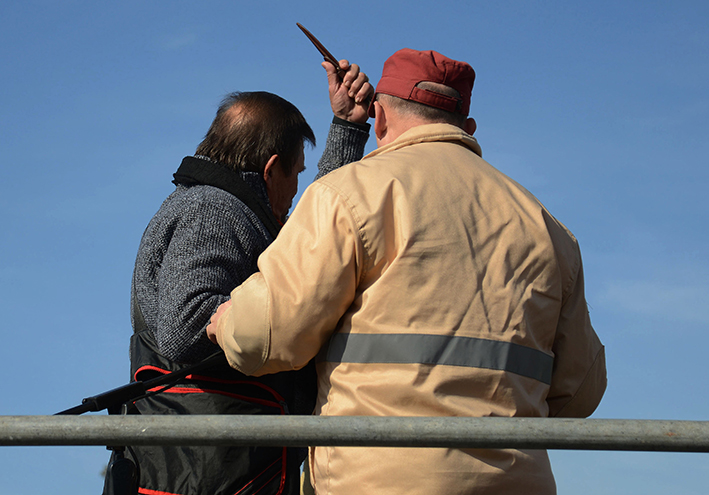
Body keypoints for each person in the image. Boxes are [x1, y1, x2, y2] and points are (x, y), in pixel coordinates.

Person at [207, 49, 607, 495]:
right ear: (468, 129)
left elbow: (268, 338)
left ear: (377, 117)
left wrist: (225, 322)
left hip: (373, 481)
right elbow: (581, 392)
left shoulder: (346, 193)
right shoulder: (547, 228)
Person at [112, 60, 373, 495]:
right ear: (271, 170)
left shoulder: (228, 209)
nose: (295, 193)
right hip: (215, 470)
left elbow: (301, 242)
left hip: (219, 465)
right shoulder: (211, 211)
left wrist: (347, 126)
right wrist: (278, 317)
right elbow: (184, 328)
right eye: (296, 175)